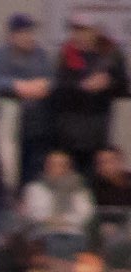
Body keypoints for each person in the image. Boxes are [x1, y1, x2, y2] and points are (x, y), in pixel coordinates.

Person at [50, 17, 125, 167]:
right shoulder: (66, 55)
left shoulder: (111, 54)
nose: (80, 35)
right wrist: (82, 86)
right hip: (69, 130)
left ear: (96, 31)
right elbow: (58, 88)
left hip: (98, 128)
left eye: (84, 30)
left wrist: (108, 84)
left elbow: (123, 87)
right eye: (76, 31)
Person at [0, 13, 55, 182]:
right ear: (12, 35)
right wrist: (17, 86)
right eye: (24, 32)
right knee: (10, 170)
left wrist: (40, 86)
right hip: (9, 126)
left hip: (36, 125)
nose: (29, 36)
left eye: (30, 32)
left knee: (34, 170)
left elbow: (51, 80)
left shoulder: (40, 55)